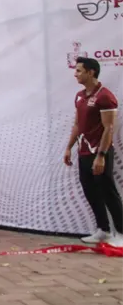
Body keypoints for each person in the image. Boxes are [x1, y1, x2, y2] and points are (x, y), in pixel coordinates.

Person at [64, 57, 123, 247]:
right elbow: (77, 124)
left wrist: (101, 156)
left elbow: (109, 128)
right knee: (90, 191)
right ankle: (103, 230)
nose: (75, 74)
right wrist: (68, 147)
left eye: (79, 71)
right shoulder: (79, 96)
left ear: (91, 72)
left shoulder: (105, 96)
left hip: (99, 152)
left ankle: (121, 233)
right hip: (83, 151)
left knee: (108, 192)